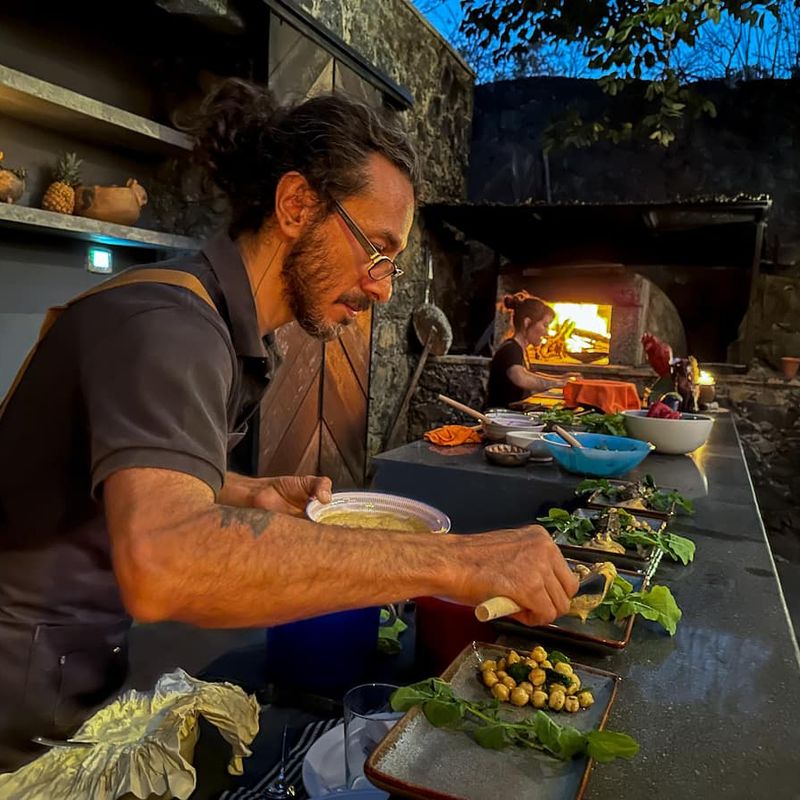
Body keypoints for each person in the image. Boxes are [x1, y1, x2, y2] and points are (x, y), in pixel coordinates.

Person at [0, 80, 577, 771]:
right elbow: (165, 563)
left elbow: (113, 477)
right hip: (19, 709)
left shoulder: (208, 319)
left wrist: (239, 492)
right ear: (297, 204)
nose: (382, 288)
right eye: (378, 251)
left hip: (74, 673)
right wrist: (459, 564)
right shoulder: (170, 326)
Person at [487, 291, 577, 408]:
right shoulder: (510, 349)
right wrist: (559, 383)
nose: (547, 333)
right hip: (501, 416)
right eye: (545, 325)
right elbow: (521, 377)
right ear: (527, 323)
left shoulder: (519, 348)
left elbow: (529, 374)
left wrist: (562, 378)